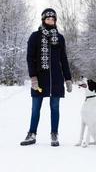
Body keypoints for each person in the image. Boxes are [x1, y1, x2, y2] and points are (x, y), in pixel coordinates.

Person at [20, 8, 72, 147]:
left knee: (55, 107)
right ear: (43, 20)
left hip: (56, 79)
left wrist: (68, 78)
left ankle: (54, 134)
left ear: (55, 21)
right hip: (40, 79)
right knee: (36, 108)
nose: (50, 21)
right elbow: (30, 58)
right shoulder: (35, 36)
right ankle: (32, 134)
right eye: (48, 19)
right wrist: (33, 77)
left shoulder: (59, 38)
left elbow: (64, 59)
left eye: (52, 19)